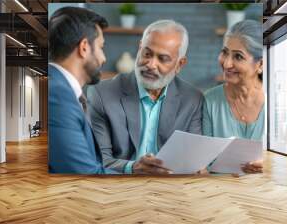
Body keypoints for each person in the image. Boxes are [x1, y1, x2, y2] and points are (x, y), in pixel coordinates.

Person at [87, 20, 204, 174]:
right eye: (147, 53)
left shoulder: (193, 99)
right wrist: (133, 167)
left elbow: (193, 159)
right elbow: (98, 160)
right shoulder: (101, 93)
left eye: (162, 59)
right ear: (140, 47)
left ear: (179, 65)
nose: (150, 64)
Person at [48, 7, 114, 174]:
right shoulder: (58, 96)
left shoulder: (61, 89)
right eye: (101, 47)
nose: (103, 58)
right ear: (84, 47)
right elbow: (83, 173)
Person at [203, 20, 264, 174]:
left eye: (238, 57)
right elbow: (204, 161)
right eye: (224, 52)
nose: (227, 63)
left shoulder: (278, 103)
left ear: (260, 65)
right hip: (220, 192)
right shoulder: (209, 100)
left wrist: (268, 163)